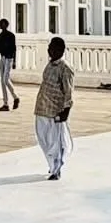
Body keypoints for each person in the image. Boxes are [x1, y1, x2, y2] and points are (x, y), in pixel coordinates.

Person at [34, 36, 74, 180]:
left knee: (55, 142)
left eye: (52, 48)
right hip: (42, 108)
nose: (49, 50)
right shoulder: (49, 65)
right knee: (43, 139)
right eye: (49, 47)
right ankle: (52, 165)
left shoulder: (65, 69)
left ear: (60, 50)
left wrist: (66, 110)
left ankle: (56, 169)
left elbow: (68, 92)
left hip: (55, 111)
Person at [0, 18, 19, 112]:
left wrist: (14, 61)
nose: (0, 25)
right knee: (2, 81)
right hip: (2, 58)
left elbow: (14, 49)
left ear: (6, 25)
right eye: (0, 23)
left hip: (9, 58)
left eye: (2, 23)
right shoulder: (0, 36)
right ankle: (5, 104)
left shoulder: (11, 36)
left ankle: (16, 97)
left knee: (5, 79)